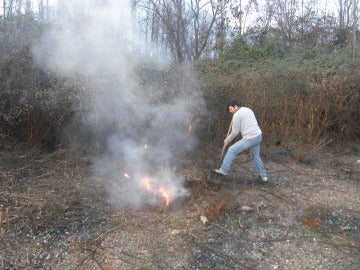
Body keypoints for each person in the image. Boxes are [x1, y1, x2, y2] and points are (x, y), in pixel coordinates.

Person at [214, 99, 268, 182]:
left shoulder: (236, 115)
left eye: (231, 109)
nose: (230, 111)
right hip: (258, 136)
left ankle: (223, 170)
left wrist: (227, 140)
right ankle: (263, 176)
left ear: (236, 106)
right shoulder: (248, 109)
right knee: (256, 156)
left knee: (232, 150)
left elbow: (235, 132)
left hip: (250, 138)